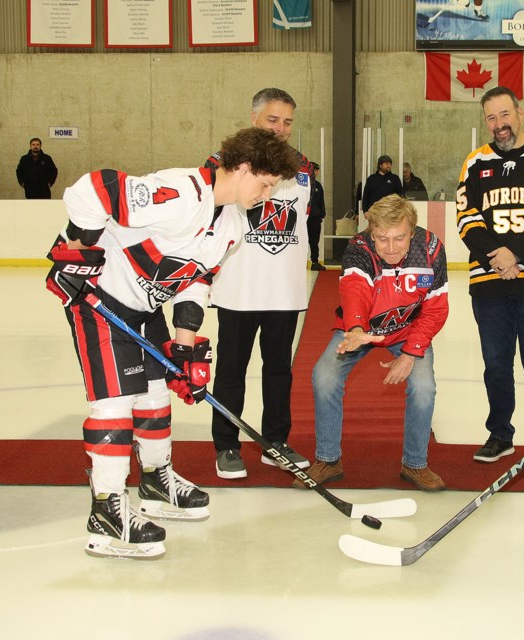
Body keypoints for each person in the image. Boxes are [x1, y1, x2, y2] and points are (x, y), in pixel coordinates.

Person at [45, 127, 298, 559]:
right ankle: (105, 511)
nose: (267, 193)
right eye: (266, 182)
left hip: (146, 309)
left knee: (157, 393)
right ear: (242, 168)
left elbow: (195, 280)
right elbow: (94, 189)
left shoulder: (233, 222)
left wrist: (184, 348)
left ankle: (155, 482)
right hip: (100, 300)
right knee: (115, 404)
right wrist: (78, 248)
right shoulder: (182, 194)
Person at [295, 194, 449, 491]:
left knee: (423, 387)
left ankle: (415, 464)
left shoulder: (431, 250)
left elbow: (435, 308)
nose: (390, 247)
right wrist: (355, 329)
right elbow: (354, 289)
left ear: (412, 231)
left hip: (408, 331)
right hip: (360, 330)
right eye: (382, 239)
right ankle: (328, 459)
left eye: (398, 238)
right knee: (324, 376)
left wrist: (410, 353)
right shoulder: (358, 248)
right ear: (371, 232)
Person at [456, 86, 524, 477]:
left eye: (505, 115)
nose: (499, 125)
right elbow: (467, 220)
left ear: (520, 114)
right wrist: (498, 259)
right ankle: (500, 434)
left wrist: (515, 255)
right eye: (491, 118)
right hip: (489, 284)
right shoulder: (474, 162)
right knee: (495, 365)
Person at [206, 88, 315, 480]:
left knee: (278, 371)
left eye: (287, 121)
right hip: (238, 289)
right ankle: (227, 445)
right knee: (231, 371)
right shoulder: (223, 163)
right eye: (273, 120)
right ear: (254, 118)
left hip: (283, 291)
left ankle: (275, 442)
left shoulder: (304, 166)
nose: (281, 128)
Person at [308, 162, 327, 270]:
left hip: (315, 217)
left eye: (317, 170)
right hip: (304, 217)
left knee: (314, 241)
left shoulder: (318, 185)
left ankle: (315, 261)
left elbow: (321, 201)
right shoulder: (302, 184)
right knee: (301, 241)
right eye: (315, 170)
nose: (316, 172)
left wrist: (322, 214)